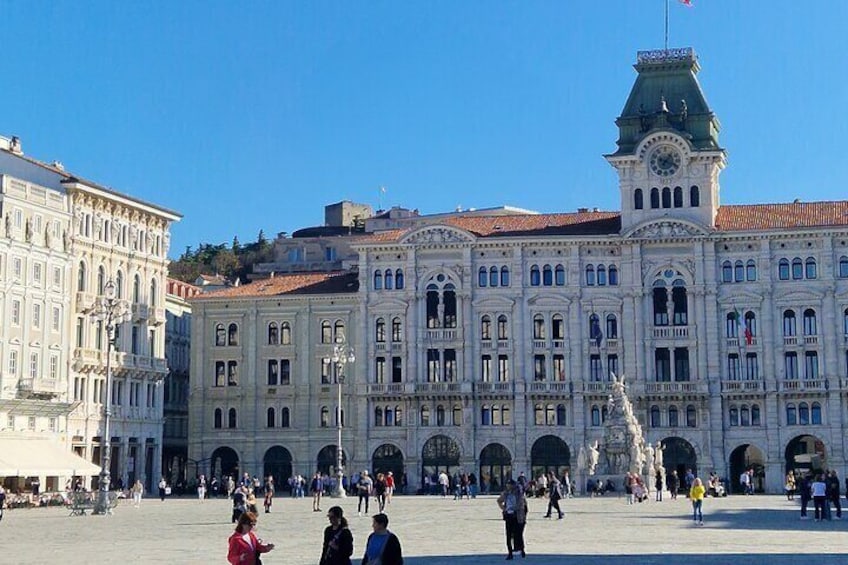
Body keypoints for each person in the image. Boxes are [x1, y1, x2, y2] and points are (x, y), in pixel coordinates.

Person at [497, 479, 529, 560]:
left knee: (517, 534)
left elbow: (524, 505)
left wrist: (522, 514)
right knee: (508, 535)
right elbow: (499, 500)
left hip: (517, 516)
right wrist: (504, 508)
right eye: (507, 485)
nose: (508, 486)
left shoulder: (519, 493)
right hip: (509, 515)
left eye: (509, 485)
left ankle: (522, 550)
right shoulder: (506, 493)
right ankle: (510, 553)